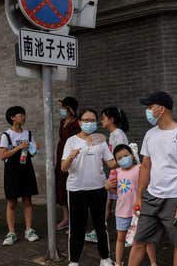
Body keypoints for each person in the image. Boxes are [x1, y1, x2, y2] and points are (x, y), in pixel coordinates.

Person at [129, 91, 177, 266]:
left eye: (150, 107)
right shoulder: (150, 134)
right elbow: (145, 166)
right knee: (139, 241)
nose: (147, 111)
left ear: (161, 109)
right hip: (152, 197)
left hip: (175, 199)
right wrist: (139, 196)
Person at [61, 108, 116, 266]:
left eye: (92, 120)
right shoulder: (71, 141)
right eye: (86, 120)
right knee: (77, 227)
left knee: (100, 226)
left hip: (99, 188)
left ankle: (105, 258)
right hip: (76, 190)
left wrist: (126, 157)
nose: (89, 123)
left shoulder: (100, 141)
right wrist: (71, 157)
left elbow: (111, 162)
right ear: (79, 122)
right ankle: (74, 261)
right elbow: (64, 168)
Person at [85, 107, 130, 244]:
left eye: (103, 118)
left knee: (120, 202)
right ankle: (100, 231)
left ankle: (127, 233)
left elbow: (123, 156)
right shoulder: (113, 134)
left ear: (111, 119)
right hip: (114, 172)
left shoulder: (118, 134)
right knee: (109, 202)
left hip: (118, 173)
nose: (101, 121)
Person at [108, 144, 157, 266]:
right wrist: (107, 186)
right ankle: (118, 263)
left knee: (146, 239)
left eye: (126, 155)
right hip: (121, 211)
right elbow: (116, 190)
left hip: (139, 211)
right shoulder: (116, 172)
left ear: (132, 155)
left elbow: (147, 183)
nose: (123, 159)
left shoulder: (140, 169)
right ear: (116, 161)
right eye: (119, 158)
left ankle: (153, 262)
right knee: (120, 238)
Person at [0, 106, 40, 246]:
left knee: (27, 200)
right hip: (12, 171)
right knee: (11, 202)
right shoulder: (6, 135)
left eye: (24, 115)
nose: (23, 117)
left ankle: (29, 230)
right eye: (20, 115)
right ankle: (11, 232)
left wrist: (34, 148)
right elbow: (2, 155)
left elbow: (33, 152)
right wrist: (18, 147)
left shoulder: (28, 133)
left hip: (26, 169)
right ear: (12, 117)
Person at [56, 97, 80, 231]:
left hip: (72, 157)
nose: (62, 110)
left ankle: (74, 219)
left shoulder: (77, 123)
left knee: (71, 186)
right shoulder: (62, 121)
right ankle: (66, 218)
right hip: (61, 155)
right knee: (61, 187)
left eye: (64, 108)